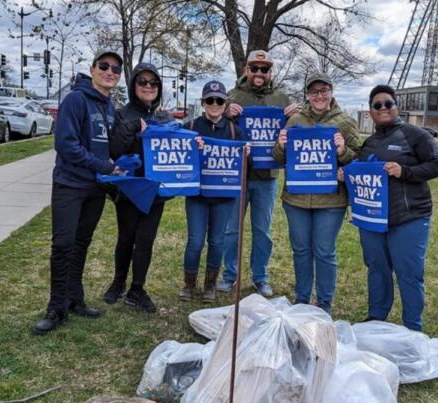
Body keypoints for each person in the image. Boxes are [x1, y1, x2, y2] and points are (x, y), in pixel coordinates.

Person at [35, 50, 123, 335]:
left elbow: (111, 145)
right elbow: (66, 144)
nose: (110, 71)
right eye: (104, 66)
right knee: (63, 244)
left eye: (115, 69)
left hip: (95, 188)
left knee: (81, 243)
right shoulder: (75, 99)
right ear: (93, 68)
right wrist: (102, 165)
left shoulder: (109, 106)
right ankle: (55, 308)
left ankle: (75, 299)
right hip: (70, 184)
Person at [356, 84, 438, 331]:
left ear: (396, 107)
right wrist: (346, 174)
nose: (383, 108)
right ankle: (376, 317)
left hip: (410, 217)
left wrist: (404, 171)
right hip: (374, 218)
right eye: (377, 105)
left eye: (388, 104)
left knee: (409, 272)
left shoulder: (416, 135)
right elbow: (361, 173)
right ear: (371, 112)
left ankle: (412, 326)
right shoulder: (369, 143)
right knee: (377, 268)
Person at [274, 72, 363, 315]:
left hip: (331, 200)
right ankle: (302, 298)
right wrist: (281, 146)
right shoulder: (294, 121)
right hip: (296, 199)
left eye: (324, 91)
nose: (319, 96)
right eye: (314, 92)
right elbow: (278, 158)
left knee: (324, 251)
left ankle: (324, 302)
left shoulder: (344, 121)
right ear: (307, 95)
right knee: (301, 250)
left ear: (331, 92)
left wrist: (343, 152)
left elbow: (358, 158)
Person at [217, 50, 299, 297]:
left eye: (265, 69)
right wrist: (224, 113)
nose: (260, 73)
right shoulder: (232, 96)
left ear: (270, 71)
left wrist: (295, 115)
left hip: (268, 176)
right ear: (247, 70)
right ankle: (229, 275)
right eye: (255, 68)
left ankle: (260, 276)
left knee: (262, 230)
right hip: (237, 174)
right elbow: (215, 126)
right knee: (232, 229)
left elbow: (297, 132)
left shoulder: (282, 98)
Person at [104, 63, 173, 313]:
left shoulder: (165, 117)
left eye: (153, 83)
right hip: (130, 189)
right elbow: (114, 149)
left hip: (155, 191)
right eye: (142, 82)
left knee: (146, 240)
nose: (148, 86)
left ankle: (137, 288)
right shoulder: (122, 114)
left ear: (159, 87)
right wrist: (132, 127)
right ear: (134, 85)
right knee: (126, 238)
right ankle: (119, 281)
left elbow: (177, 150)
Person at [179, 81, 248, 303]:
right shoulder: (190, 128)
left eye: (219, 100)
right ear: (203, 103)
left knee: (217, 242)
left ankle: (210, 285)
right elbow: (178, 156)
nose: (215, 104)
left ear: (225, 103)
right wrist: (190, 147)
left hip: (224, 197)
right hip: (197, 195)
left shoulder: (234, 131)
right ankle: (189, 284)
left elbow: (248, 166)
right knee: (195, 241)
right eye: (210, 100)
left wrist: (247, 155)